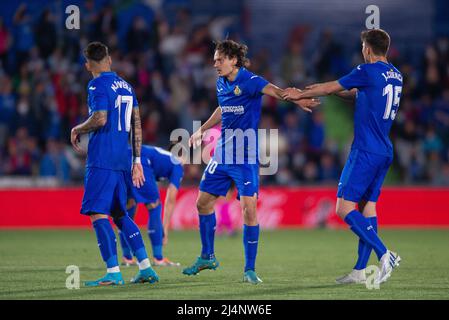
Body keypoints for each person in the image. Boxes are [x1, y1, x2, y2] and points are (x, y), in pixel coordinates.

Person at [183, 39, 319, 284]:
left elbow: (276, 92)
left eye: (219, 60)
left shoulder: (251, 80)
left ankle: (249, 270)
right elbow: (222, 109)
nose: (215, 64)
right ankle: (207, 256)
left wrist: (297, 99)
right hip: (223, 154)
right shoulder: (221, 82)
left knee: (249, 210)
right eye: (214, 59)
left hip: (245, 157)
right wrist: (201, 130)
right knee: (202, 203)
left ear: (233, 60)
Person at [282, 29, 402, 285]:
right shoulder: (395, 75)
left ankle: (384, 253)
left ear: (367, 49)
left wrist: (299, 94)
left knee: (343, 207)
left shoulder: (366, 71)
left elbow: (331, 86)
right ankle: (360, 270)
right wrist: (336, 91)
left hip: (366, 150)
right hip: (384, 150)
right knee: (367, 207)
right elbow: (359, 95)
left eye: (362, 46)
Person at [70, 42, 158, 286]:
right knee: (120, 214)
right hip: (122, 160)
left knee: (98, 213)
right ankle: (146, 268)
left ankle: (113, 272)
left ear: (88, 64)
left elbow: (100, 117)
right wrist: (137, 160)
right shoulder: (127, 87)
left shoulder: (96, 84)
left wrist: (78, 127)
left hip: (102, 159)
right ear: (108, 58)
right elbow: (137, 125)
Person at [120, 144, 183, 267]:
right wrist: (164, 228)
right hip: (141, 161)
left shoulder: (163, 155)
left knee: (129, 205)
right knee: (154, 205)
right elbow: (171, 199)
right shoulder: (178, 165)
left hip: (124, 157)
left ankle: (127, 257)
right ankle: (158, 258)